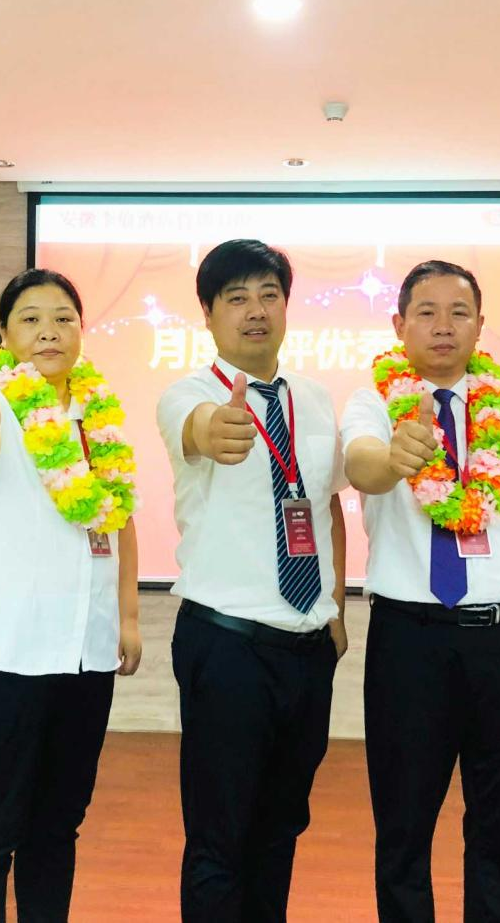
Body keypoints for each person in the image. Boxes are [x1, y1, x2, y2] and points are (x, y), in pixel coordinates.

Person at [342, 260, 500, 922]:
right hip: (409, 643)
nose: (443, 325)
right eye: (426, 311)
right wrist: (395, 456)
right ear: (399, 324)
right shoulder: (374, 402)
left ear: (479, 325)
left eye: (459, 312)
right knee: (403, 823)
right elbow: (361, 465)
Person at [0, 267, 142, 922]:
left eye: (63, 318)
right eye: (30, 318)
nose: (49, 330)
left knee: (55, 831)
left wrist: (128, 616)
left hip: (84, 658)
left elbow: (117, 518)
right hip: (0, 656)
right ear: (2, 333)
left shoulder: (97, 411)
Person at [155, 238, 348, 922]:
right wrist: (220, 429)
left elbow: (324, 506)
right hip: (227, 645)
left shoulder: (315, 399)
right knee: (220, 836)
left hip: (307, 648)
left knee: (280, 828)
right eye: (236, 297)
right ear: (208, 314)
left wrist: (335, 609)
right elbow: (202, 430)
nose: (256, 310)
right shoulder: (188, 394)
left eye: (269, 294)